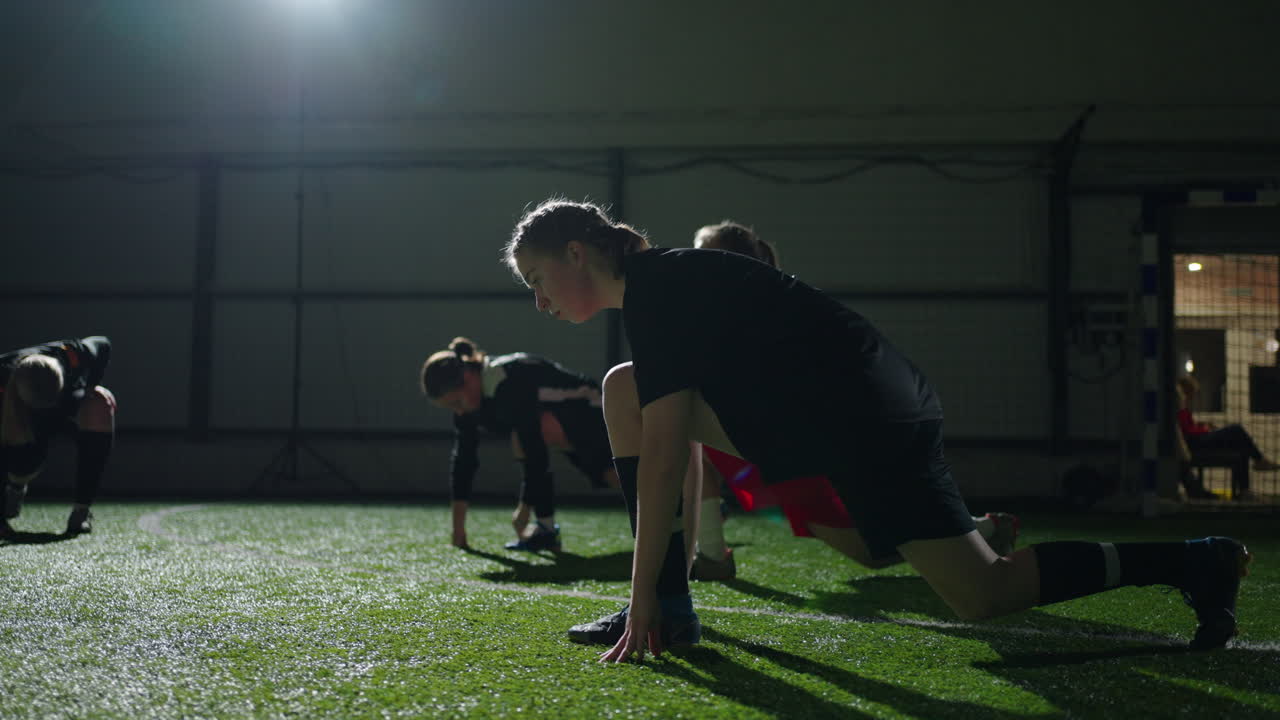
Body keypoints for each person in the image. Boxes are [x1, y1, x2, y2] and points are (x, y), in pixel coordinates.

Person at [502, 199, 1252, 662]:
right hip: (834, 421)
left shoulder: (658, 289)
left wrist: (639, 604)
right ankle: (677, 605)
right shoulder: (660, 285)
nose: (538, 303)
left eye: (536, 281)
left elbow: (665, 460)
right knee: (856, 544)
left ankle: (1195, 560)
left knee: (982, 596)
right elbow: (681, 436)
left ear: (576, 253)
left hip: (867, 426)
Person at [686, 221, 1019, 581]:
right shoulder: (725, 311)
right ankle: (712, 554)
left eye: (706, 256)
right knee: (687, 423)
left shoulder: (767, 307)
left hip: (806, 445)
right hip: (773, 441)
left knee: (872, 555)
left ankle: (983, 531)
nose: (694, 265)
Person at [421, 337, 618, 551]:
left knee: (617, 475)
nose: (458, 411)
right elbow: (464, 461)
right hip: (566, 422)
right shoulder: (469, 404)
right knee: (614, 477)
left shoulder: (506, 381)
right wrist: (458, 528)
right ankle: (546, 531)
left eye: (456, 402)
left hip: (596, 411)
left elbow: (534, 447)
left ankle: (545, 529)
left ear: (469, 378)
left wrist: (523, 509)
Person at [1, 336, 115, 538]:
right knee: (25, 463)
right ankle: (14, 488)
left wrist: (92, 385)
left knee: (99, 404)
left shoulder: (71, 355)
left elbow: (103, 344)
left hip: (63, 408)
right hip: (17, 418)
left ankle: (81, 510)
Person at [1175, 375, 1279, 500]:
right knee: (1236, 429)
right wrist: (1205, 429)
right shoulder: (1179, 405)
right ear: (1187, 390)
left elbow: (1188, 427)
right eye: (1192, 393)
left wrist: (1201, 425)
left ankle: (1245, 491)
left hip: (1198, 440)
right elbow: (1188, 433)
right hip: (1196, 442)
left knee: (1241, 448)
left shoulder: (1183, 407)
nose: (1193, 397)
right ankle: (1259, 460)